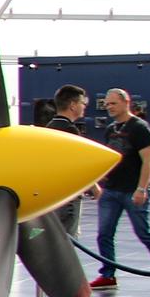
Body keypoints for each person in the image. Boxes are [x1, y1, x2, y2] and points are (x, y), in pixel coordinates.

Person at [89, 87, 150, 290]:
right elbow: (111, 157)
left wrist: (141, 188)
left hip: (132, 189)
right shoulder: (110, 129)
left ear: (125, 102)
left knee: (143, 232)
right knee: (104, 233)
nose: (109, 107)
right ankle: (108, 274)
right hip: (112, 189)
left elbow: (148, 160)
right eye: (107, 104)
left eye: (113, 103)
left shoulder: (139, 127)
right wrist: (101, 179)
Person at [46, 84, 99, 237]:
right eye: (83, 103)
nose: (84, 107)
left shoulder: (49, 127)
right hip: (69, 196)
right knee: (68, 238)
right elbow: (79, 163)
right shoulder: (70, 130)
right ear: (73, 105)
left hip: (54, 193)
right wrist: (94, 187)